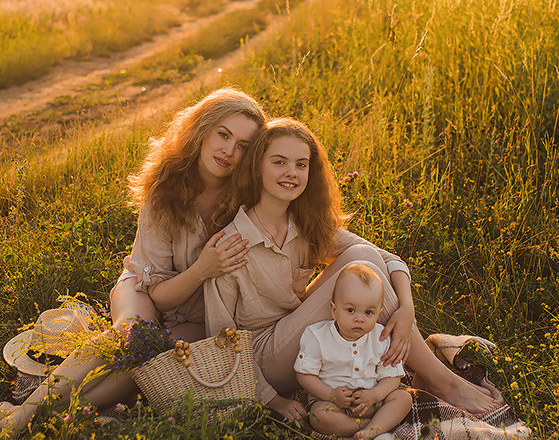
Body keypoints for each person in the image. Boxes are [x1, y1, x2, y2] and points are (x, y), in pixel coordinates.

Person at [0, 87, 268, 440]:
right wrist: (202, 269)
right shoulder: (166, 188)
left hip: (198, 309)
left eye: (243, 145)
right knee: (133, 334)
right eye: (223, 135)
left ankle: (20, 417)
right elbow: (156, 293)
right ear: (201, 131)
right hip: (147, 289)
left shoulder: (247, 197)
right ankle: (21, 422)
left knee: (153, 357)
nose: (229, 151)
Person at [204, 118, 499, 417]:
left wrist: (406, 306)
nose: (291, 173)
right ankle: (441, 380)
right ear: (256, 166)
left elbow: (385, 258)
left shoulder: (302, 223)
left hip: (299, 330)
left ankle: (433, 376)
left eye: (301, 164)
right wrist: (271, 400)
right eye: (279, 162)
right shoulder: (231, 243)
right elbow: (221, 341)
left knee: (363, 256)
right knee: (362, 260)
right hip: (267, 359)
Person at [294, 262, 413, 440]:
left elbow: (392, 378)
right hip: (331, 401)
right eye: (350, 310)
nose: (359, 319)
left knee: (403, 399)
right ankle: (370, 426)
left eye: (368, 312)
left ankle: (372, 428)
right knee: (319, 417)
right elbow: (304, 375)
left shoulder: (380, 337)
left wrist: (374, 395)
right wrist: (331, 395)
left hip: (372, 400)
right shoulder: (317, 337)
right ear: (334, 310)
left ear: (379, 312)